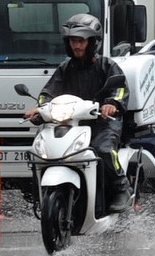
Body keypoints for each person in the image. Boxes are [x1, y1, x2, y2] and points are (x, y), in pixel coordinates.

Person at [23, 13, 131, 213]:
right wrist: (39, 109)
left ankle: (121, 188)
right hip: (71, 123)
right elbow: (47, 93)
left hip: (103, 121)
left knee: (104, 149)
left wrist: (112, 103)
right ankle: (42, 195)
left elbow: (120, 88)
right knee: (42, 151)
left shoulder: (107, 66)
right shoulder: (65, 68)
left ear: (92, 42)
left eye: (81, 41)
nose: (77, 46)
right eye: (73, 41)